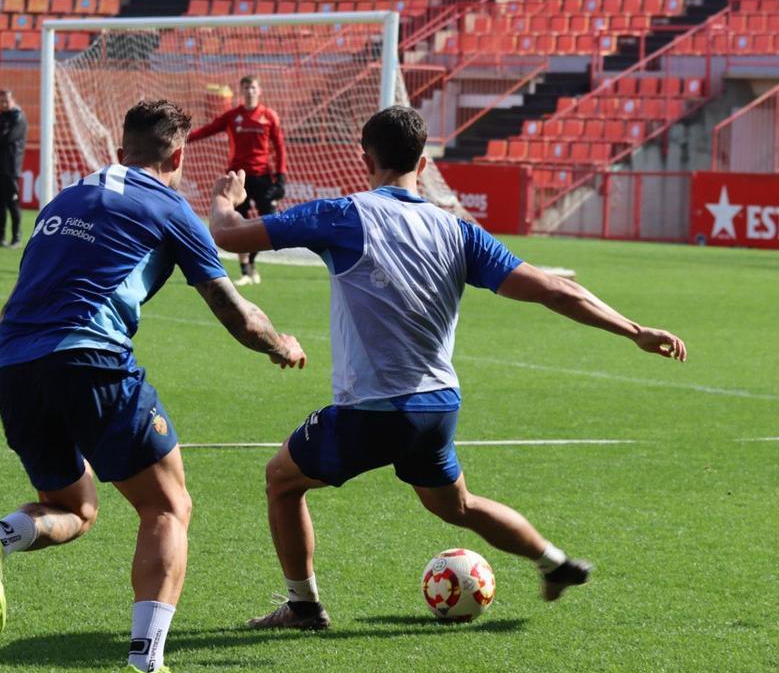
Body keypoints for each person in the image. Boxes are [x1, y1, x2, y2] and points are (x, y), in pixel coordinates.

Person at [209, 106, 687, 631]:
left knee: (282, 480)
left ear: (365, 158)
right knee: (456, 505)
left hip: (373, 408)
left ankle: (303, 607)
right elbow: (555, 289)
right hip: (436, 406)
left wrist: (223, 201)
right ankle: (556, 563)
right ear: (423, 157)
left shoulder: (342, 215)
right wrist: (635, 330)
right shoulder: (459, 232)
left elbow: (228, 236)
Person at [0, 99, 306, 673]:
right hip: (91, 359)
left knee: (75, 509)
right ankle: (146, 666)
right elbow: (233, 311)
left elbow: (15, 306)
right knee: (168, 506)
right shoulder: (169, 207)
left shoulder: (63, 200)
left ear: (119, 149)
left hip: (18, 368)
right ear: (180, 155)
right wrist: (278, 344)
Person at [187, 75, 287, 286]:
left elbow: (279, 148)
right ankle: (244, 272)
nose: (250, 91)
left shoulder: (269, 116)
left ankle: (251, 263)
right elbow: (208, 129)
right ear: (241, 92)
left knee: (268, 223)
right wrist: (185, 137)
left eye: (253, 87)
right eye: (246, 88)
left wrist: (281, 177)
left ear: (259, 91)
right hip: (237, 179)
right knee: (237, 223)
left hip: (263, 177)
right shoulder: (232, 116)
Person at [0, 88, 28, 248]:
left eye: (6, 101)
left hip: (10, 167)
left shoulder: (19, 118)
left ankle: (16, 238)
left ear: (13, 101)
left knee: (12, 203)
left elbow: (9, 138)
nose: (3, 104)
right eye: (1, 101)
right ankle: (0, 238)